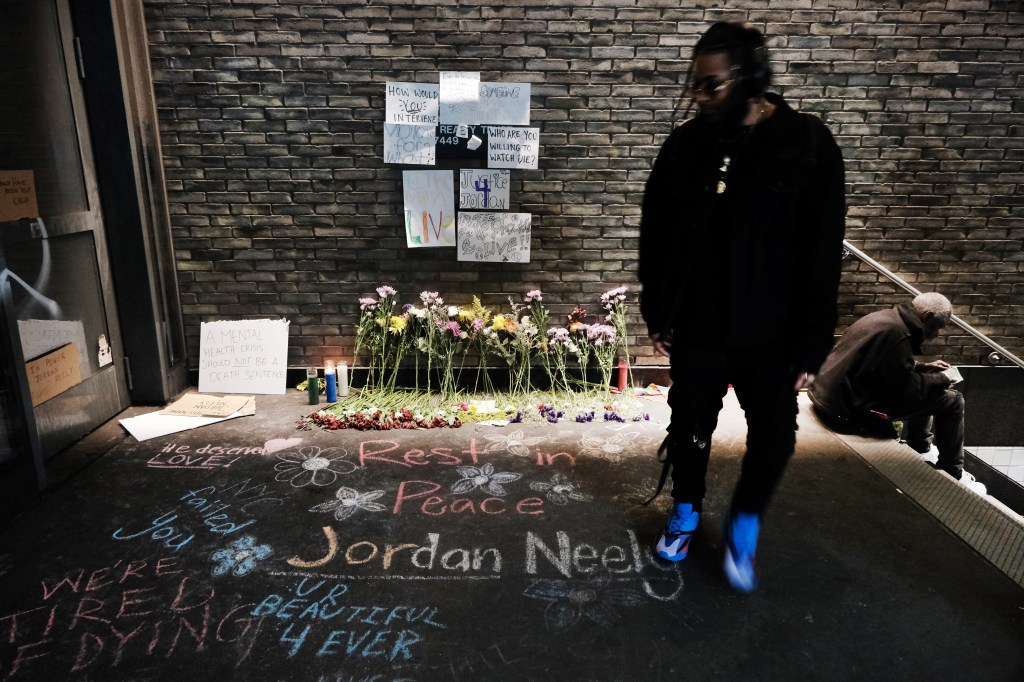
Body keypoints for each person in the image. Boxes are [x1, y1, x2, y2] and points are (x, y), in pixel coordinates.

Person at [638, 20, 847, 593]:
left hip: (771, 332)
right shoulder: (688, 143)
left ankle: (745, 520)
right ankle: (685, 510)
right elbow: (655, 230)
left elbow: (824, 251)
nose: (700, 98)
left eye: (712, 86)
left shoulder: (806, 145)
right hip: (701, 324)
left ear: (751, 78)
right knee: (690, 425)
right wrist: (659, 309)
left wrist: (812, 341)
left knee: (776, 434)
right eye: (696, 86)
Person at [808, 292, 986, 495]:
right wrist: (942, 379)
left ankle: (922, 447)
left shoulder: (886, 319)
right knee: (953, 400)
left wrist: (921, 368)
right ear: (927, 316)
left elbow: (885, 365)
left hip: (826, 394)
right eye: (938, 327)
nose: (936, 334)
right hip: (845, 408)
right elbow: (904, 391)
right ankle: (952, 470)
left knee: (929, 387)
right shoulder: (899, 334)